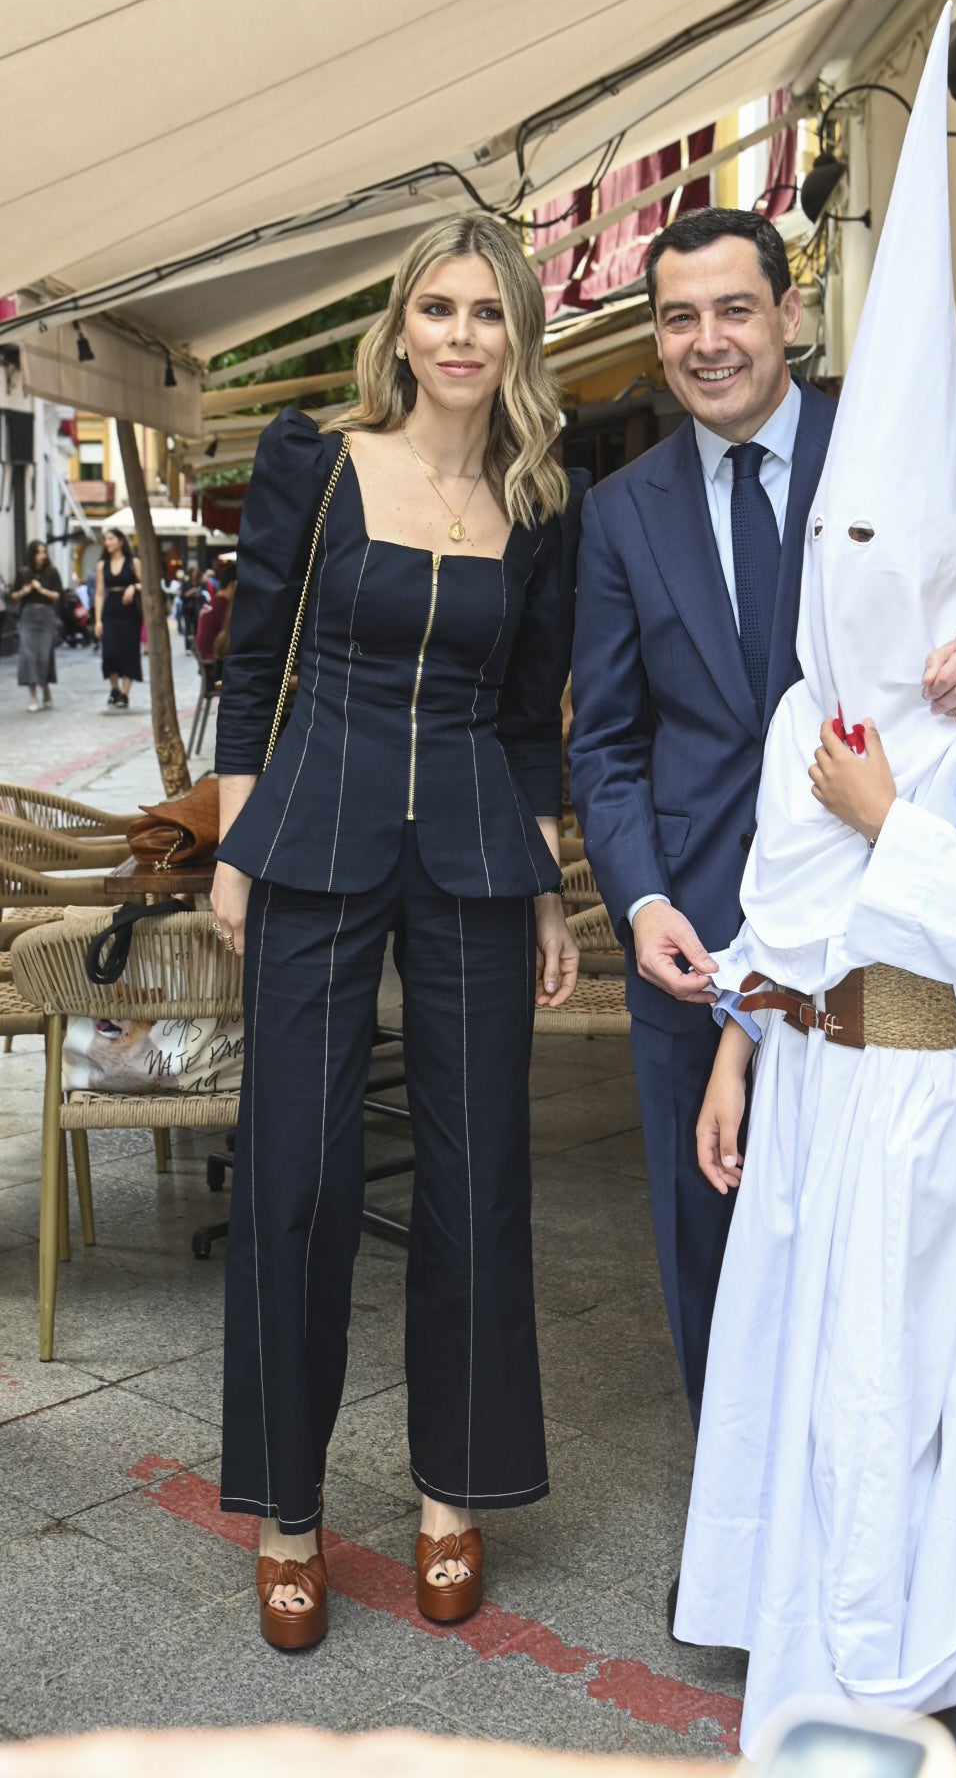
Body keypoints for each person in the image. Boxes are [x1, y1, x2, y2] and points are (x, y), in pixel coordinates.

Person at [673, 7, 956, 1753]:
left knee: (909, 1378)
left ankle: (908, 1655)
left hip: (932, 1084)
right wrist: (734, 1049)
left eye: (875, 553)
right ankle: (803, 1640)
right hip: (822, 1081)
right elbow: (776, 907)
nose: (845, 578)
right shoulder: (799, 720)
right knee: (800, 1364)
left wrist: (892, 803)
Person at [568, 207, 956, 1447]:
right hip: (697, 939)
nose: (708, 341)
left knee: (873, 1256)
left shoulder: (882, 454)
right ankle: (743, 1527)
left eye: (735, 309)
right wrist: (641, 902)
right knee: (708, 1239)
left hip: (876, 944)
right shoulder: (622, 510)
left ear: (790, 315)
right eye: (679, 317)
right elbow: (607, 739)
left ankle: (863, 1511)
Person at [210, 212, 584, 1652]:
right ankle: (288, 1517)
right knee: (295, 1174)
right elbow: (251, 667)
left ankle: (453, 1496)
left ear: (517, 335)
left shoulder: (543, 496)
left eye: (486, 314)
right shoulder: (313, 459)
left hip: (479, 847)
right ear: (399, 325)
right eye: (435, 309)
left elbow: (526, 711)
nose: (458, 337)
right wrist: (238, 852)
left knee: (478, 1175)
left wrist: (548, 886)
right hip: (311, 825)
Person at [11, 541, 63, 711]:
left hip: (46, 615)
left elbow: (57, 595)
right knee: (28, 656)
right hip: (28, 616)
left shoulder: (52, 572)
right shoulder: (24, 573)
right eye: (39, 552)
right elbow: (13, 595)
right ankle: (32, 696)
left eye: (44, 552)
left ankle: (45, 687)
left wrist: (41, 590)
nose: (42, 555)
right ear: (32, 554)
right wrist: (24, 591)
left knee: (44, 655)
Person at [95, 526, 143, 709]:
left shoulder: (133, 562)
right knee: (110, 652)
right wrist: (98, 620)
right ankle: (114, 688)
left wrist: (134, 587)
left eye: (110, 539)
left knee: (129, 651)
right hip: (110, 610)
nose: (107, 543)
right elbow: (99, 593)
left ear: (120, 541)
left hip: (130, 612)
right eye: (106, 539)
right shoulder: (102, 565)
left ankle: (125, 693)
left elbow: (146, 583)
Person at [195, 562, 236, 673]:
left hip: (208, 663)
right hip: (215, 667)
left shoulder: (212, 603)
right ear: (232, 585)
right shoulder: (223, 607)